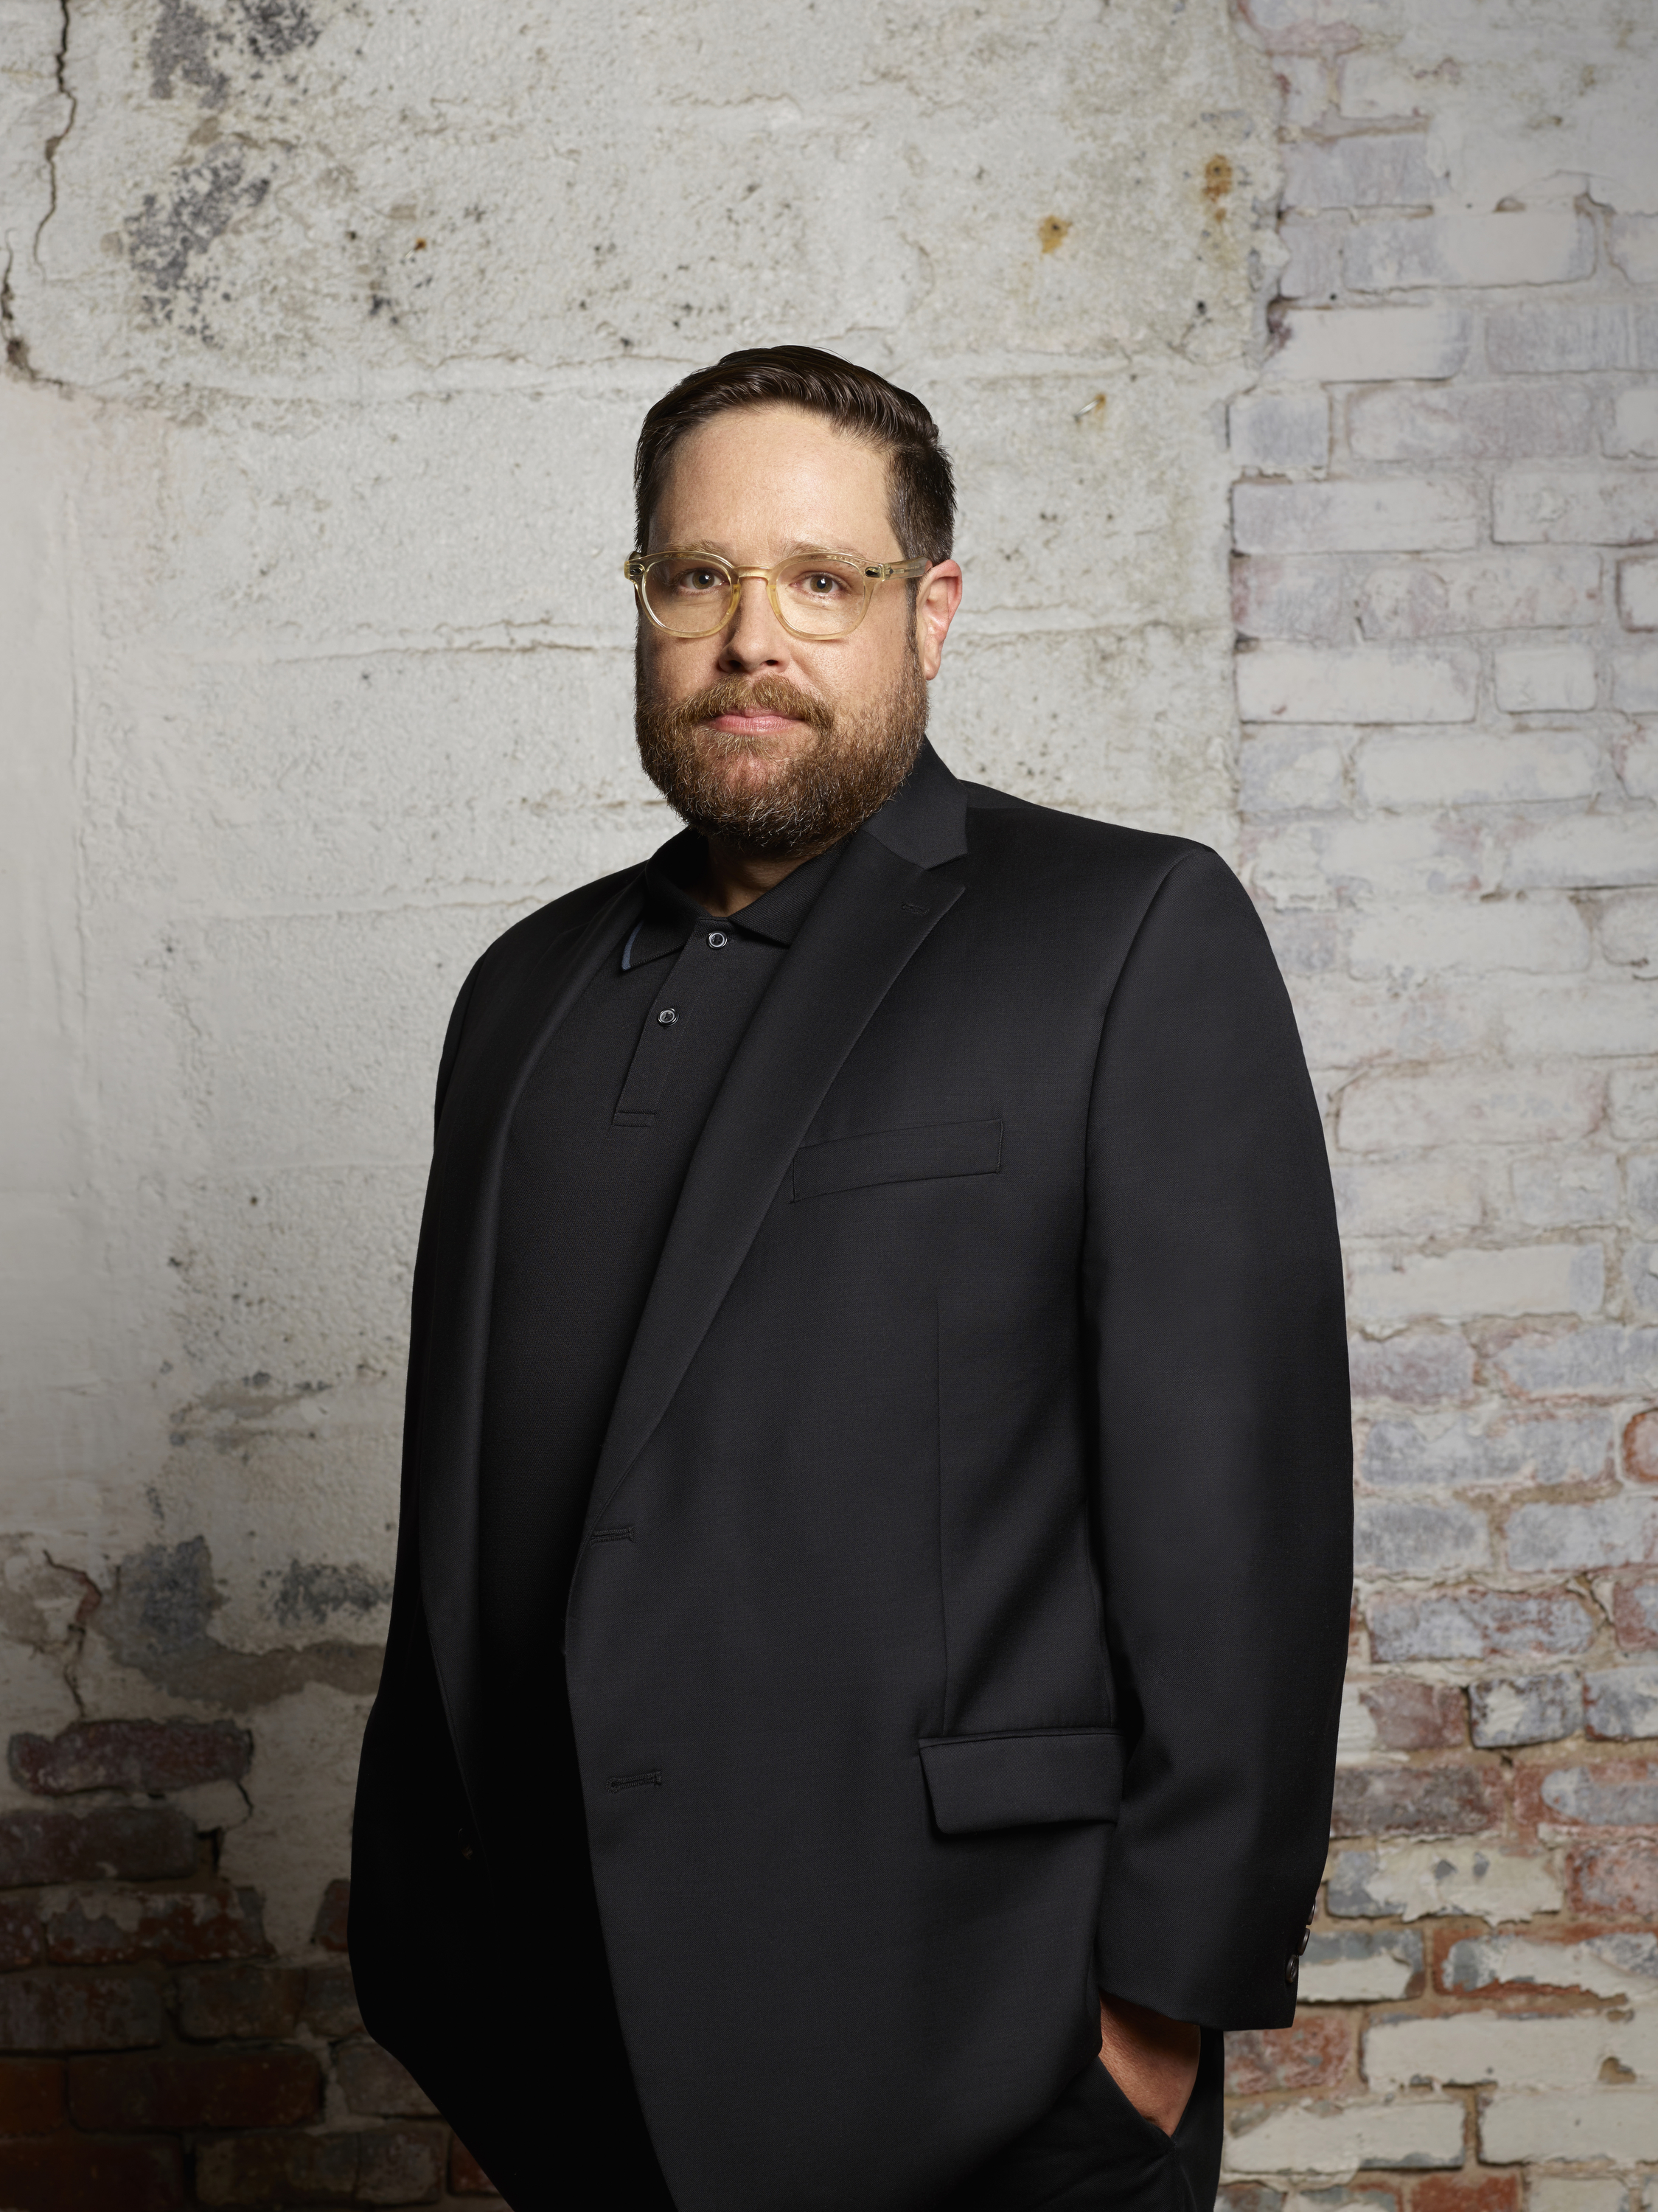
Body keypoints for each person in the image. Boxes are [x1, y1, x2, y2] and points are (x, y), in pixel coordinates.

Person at [348, 346, 1352, 2212]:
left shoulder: (1124, 934)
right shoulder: (519, 993)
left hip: (986, 2037)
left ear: (930, 611)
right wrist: (428, 1952)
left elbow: (1242, 1515)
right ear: (644, 605)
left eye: (823, 579)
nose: (753, 638)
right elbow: (470, 1506)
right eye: (697, 577)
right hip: (568, 2041)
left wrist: (1155, 2019)